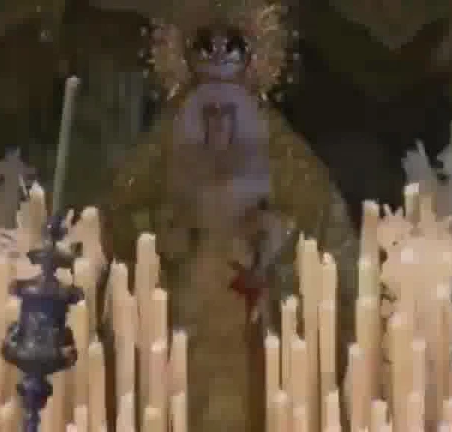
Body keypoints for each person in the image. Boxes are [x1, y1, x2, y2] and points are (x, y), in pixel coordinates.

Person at [102, 3, 358, 430]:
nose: (218, 126)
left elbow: (317, 220)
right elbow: (122, 220)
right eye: (209, 115)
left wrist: (273, 242)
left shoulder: (282, 150)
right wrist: (168, 232)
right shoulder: (161, 147)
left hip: (254, 307)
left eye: (226, 115)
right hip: (182, 307)